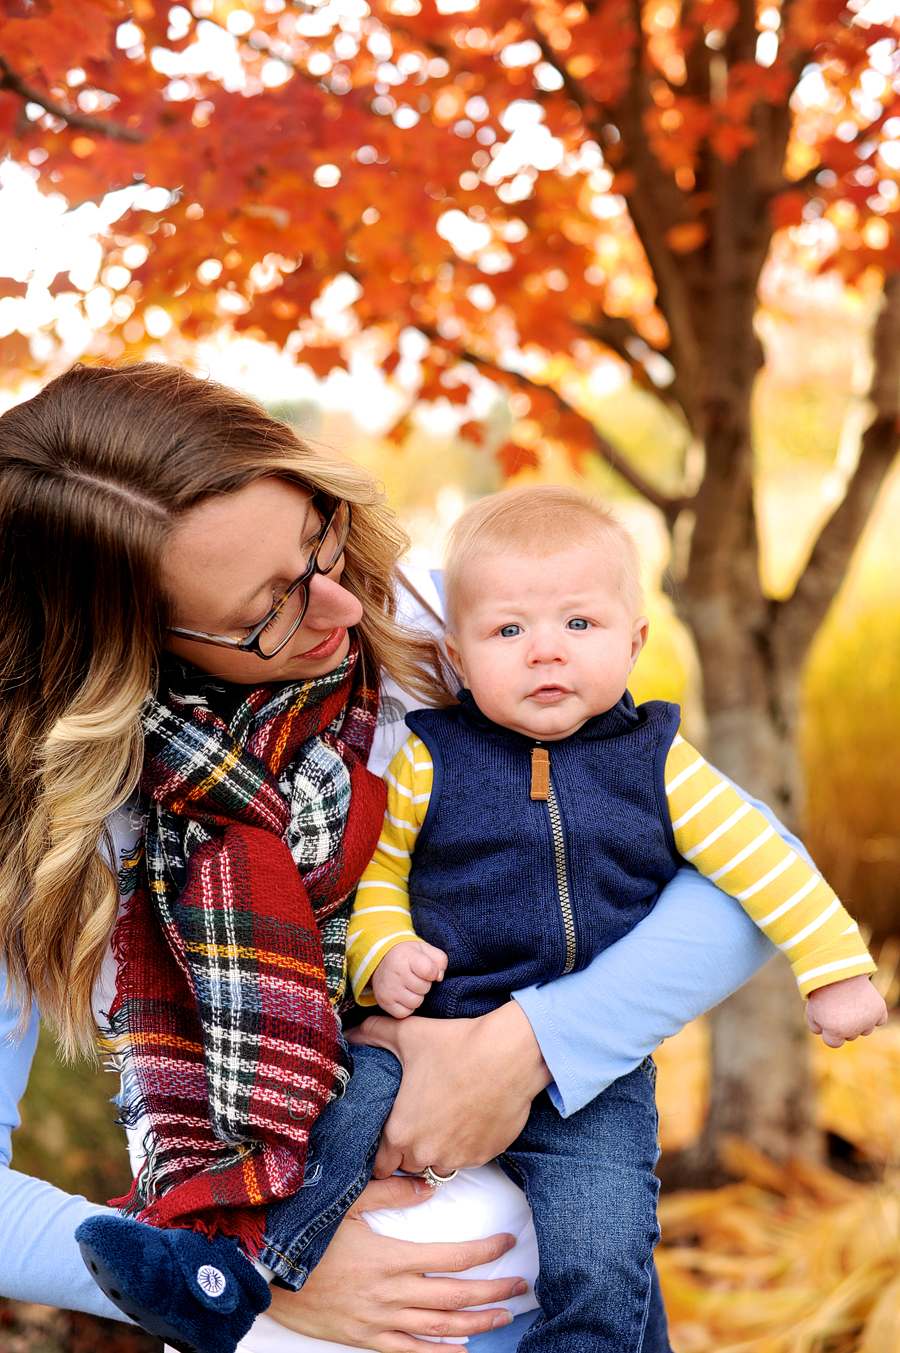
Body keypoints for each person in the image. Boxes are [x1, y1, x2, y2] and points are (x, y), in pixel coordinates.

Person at [0, 360, 830, 1353]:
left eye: (322, 537)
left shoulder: (452, 636)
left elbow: (753, 877)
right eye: (266, 609)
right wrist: (229, 1279)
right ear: (122, 644)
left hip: (559, 1273)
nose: (342, 610)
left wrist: (525, 1047)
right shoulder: (49, 835)